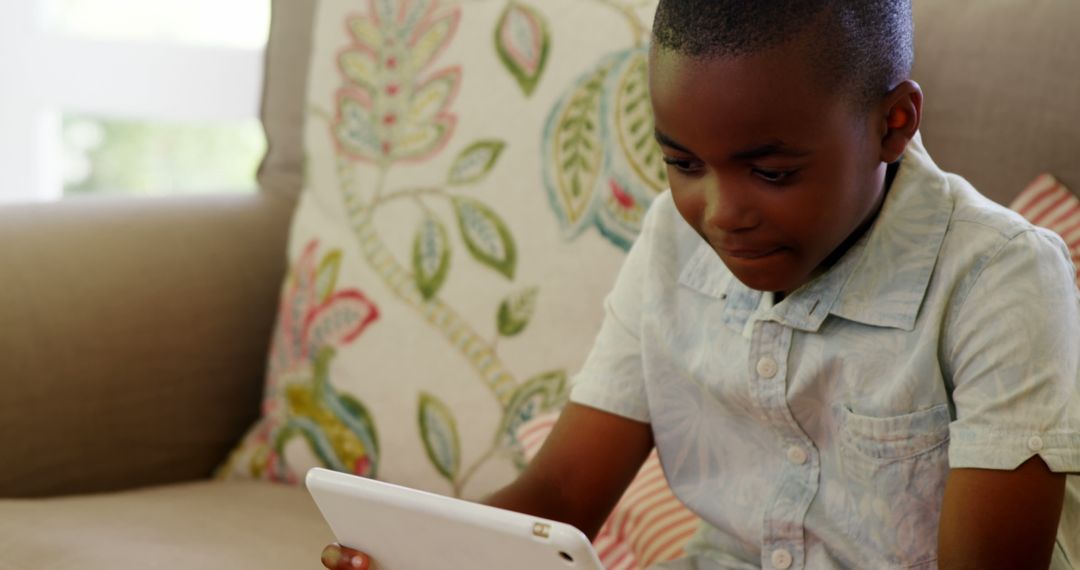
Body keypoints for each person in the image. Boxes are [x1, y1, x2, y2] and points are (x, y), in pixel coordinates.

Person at [322, 0, 1080, 568]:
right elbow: (557, 502)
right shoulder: (670, 240)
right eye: (683, 164)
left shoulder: (1000, 278)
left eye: (772, 171)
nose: (719, 215)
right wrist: (418, 554)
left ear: (894, 122)